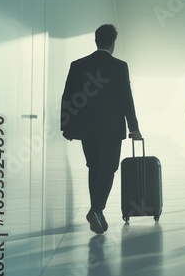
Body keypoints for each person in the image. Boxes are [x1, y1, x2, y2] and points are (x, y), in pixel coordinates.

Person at [61, 24, 142, 234]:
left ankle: (97, 212)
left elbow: (68, 96)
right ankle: (96, 209)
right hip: (111, 129)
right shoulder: (119, 66)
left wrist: (67, 127)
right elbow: (126, 98)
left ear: (96, 41)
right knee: (108, 169)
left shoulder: (78, 65)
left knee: (95, 168)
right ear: (113, 43)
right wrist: (134, 128)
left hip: (87, 130)